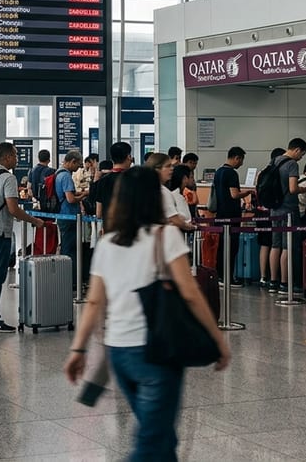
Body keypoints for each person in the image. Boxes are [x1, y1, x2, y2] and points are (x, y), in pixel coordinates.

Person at [64, 166, 230, 461]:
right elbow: (190, 293)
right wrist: (217, 337)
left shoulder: (107, 243)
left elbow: (93, 303)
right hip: (156, 353)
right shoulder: (165, 236)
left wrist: (78, 349)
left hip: (120, 355)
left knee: (163, 439)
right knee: (151, 444)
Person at [0, 142, 45, 333]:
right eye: (15, 155)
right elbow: (13, 209)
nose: (17, 158)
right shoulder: (8, 178)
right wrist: (35, 220)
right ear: (6, 157)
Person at [268, 138, 306, 293]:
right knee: (287, 247)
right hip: (288, 211)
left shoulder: (274, 161)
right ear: (297, 150)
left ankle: (273, 281)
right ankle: (285, 283)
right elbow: (292, 188)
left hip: (274, 210)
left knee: (275, 245)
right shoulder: (292, 164)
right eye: (301, 154)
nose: (301, 157)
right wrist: (302, 189)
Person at [212, 146, 253, 285]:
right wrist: (247, 193)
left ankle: (220, 275)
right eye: (241, 160)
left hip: (220, 215)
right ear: (237, 158)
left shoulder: (218, 172)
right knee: (231, 247)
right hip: (231, 216)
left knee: (221, 247)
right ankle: (228, 277)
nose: (241, 163)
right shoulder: (231, 174)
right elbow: (234, 194)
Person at [55, 150, 89, 288]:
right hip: (69, 216)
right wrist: (84, 195)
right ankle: (73, 282)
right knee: (71, 250)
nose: (79, 168)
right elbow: (70, 199)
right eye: (78, 165)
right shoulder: (66, 176)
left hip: (62, 216)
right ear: (72, 161)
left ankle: (66, 279)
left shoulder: (58, 174)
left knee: (66, 248)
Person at [145, 153, 191, 233]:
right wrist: (191, 227)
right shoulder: (163, 192)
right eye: (168, 166)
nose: (172, 169)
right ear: (157, 169)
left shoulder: (144, 188)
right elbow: (174, 219)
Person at [166, 164, 195, 230]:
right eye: (191, 177)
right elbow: (181, 218)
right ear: (184, 178)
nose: (193, 180)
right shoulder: (175, 196)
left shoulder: (178, 195)